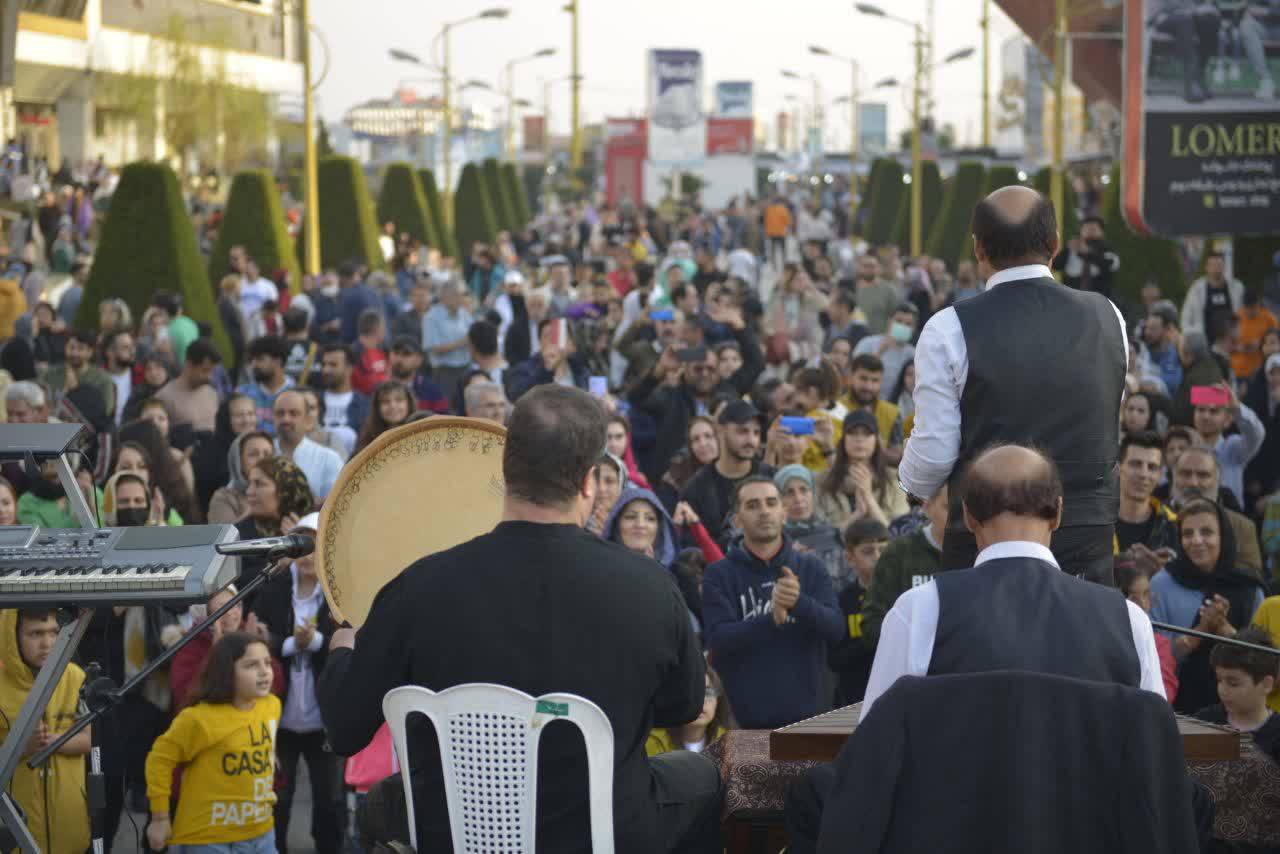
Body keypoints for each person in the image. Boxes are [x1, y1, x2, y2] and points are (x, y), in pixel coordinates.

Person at [318, 385, 722, 853]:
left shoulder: (416, 587)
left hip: (455, 833)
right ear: (590, 481)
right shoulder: (651, 586)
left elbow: (345, 729)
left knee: (385, 802)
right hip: (606, 832)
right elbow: (684, 706)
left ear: (503, 470)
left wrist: (343, 648)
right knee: (704, 775)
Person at [900, 186, 1128, 583]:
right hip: (1085, 537)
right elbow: (1108, 413)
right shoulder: (1108, 315)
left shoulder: (947, 327)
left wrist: (909, 484)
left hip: (987, 535)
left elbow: (934, 454)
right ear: (1055, 245)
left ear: (978, 250)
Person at [701, 476, 842, 729]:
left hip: (811, 721)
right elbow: (717, 640)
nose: (764, 511)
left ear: (784, 513)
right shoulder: (719, 574)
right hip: (746, 724)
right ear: (737, 520)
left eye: (771, 503)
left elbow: (836, 630)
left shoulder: (810, 566)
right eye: (753, 505)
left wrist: (799, 603)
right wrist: (770, 620)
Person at [252, 512, 342, 854]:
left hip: (323, 721)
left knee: (329, 800)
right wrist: (291, 644)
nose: (307, 556)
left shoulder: (337, 592)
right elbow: (257, 638)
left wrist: (317, 642)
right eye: (301, 545)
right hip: (282, 718)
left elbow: (348, 642)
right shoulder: (273, 589)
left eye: (315, 546)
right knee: (279, 796)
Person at [145, 633, 280, 853]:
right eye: (251, 665)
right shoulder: (198, 719)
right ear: (226, 672)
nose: (265, 671)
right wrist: (160, 817)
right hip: (208, 840)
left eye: (267, 663)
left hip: (263, 834)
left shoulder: (272, 705)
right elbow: (159, 759)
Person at [1151, 498, 1266, 713]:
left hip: (1241, 716)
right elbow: (1153, 659)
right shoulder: (1161, 584)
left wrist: (1225, 630)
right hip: (1176, 712)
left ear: (1224, 536)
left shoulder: (1249, 588)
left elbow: (1262, 663)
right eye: (1187, 534)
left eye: (1207, 532)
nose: (1196, 540)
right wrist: (1199, 633)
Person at [0, 609, 91, 853]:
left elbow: (91, 740)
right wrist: (20, 747)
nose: (48, 643)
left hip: (69, 826)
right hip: (15, 828)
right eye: (36, 633)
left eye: (54, 632)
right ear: (12, 635)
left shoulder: (74, 676)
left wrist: (55, 740)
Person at [858, 485, 948, 646]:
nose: (959, 516)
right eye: (949, 508)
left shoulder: (979, 549)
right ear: (927, 505)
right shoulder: (899, 552)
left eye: (964, 507)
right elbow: (872, 621)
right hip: (914, 664)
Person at [680, 400, 772, 547]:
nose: (751, 440)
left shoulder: (771, 478)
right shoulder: (696, 489)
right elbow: (692, 550)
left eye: (756, 432)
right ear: (721, 431)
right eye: (742, 431)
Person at [1169, 445, 1263, 575]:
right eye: (1185, 474)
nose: (1193, 483)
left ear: (1217, 481)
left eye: (1203, 475)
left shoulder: (1242, 527)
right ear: (1174, 477)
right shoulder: (1155, 517)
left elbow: (1253, 579)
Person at [1193, 627, 1280, 758]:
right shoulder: (1203, 721)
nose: (1222, 690)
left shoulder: (1276, 735)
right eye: (1219, 680)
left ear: (1266, 684)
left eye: (1233, 683)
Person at [828, 517, 889, 706]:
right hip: (855, 697)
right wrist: (873, 638)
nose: (878, 557)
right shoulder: (842, 600)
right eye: (868, 551)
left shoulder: (903, 594)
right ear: (849, 557)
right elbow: (834, 660)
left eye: (883, 550)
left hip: (894, 693)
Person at [817, 409, 909, 530]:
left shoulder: (895, 480)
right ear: (843, 439)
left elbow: (897, 535)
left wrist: (868, 498)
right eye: (853, 433)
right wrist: (857, 514)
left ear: (876, 440)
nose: (859, 439)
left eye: (867, 433)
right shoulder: (822, 481)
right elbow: (822, 536)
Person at [238, 455, 314, 592]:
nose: (249, 491)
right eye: (250, 484)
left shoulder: (314, 526)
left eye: (259, 484)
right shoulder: (240, 534)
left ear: (284, 489)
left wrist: (300, 545)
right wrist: (280, 563)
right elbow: (236, 584)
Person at [1115, 431, 1180, 574]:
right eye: (1135, 464)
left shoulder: (1174, 525)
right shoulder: (1096, 522)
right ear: (1119, 468)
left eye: (1152, 467)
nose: (1143, 474)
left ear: (1159, 474)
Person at [1192, 380, 1264, 507]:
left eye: (1214, 411)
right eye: (1200, 410)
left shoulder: (1233, 448)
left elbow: (1257, 434)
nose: (1206, 416)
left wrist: (1236, 408)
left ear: (1227, 420)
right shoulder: (1185, 448)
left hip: (1230, 521)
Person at [1115, 562, 1180, 702]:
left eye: (1146, 594)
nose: (1144, 604)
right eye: (1133, 598)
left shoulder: (1160, 644)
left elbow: (1165, 693)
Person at [774, 465, 845, 588]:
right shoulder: (773, 539)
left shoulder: (832, 534)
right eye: (789, 492)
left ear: (813, 493)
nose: (798, 499)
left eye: (804, 490)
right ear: (778, 499)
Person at [273, 389, 342, 501]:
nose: (286, 419)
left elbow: (335, 505)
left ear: (307, 420)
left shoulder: (328, 459)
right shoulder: (262, 453)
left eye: (293, 413)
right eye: (280, 413)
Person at [645, 669, 731, 757]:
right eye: (692, 692)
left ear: (718, 700)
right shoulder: (652, 742)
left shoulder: (729, 744)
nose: (700, 702)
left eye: (707, 693)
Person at [839, 354, 904, 463]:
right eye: (863, 379)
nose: (868, 386)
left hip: (880, 475)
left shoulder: (892, 413)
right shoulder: (836, 408)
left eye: (875, 381)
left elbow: (897, 457)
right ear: (851, 377)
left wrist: (875, 443)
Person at [153, 338, 222, 434]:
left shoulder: (212, 393)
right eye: (205, 370)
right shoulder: (165, 398)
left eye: (212, 371)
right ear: (189, 364)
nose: (210, 377)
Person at [41, 327, 115, 413]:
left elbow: (105, 411)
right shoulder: (49, 375)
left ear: (90, 352)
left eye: (80, 348)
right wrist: (65, 392)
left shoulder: (103, 379)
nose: (74, 353)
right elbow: (41, 409)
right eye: (71, 347)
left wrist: (76, 393)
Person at [853, 303, 918, 401]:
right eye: (898, 321)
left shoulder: (914, 354)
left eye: (908, 324)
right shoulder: (867, 343)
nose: (903, 326)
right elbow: (855, 372)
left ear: (913, 329)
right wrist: (881, 350)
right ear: (889, 321)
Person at [423, 279, 474, 402]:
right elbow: (434, 349)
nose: (462, 299)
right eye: (459, 295)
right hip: (445, 373)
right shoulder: (431, 317)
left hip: (465, 368)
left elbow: (473, 333)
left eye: (463, 295)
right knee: (447, 411)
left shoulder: (464, 313)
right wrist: (462, 342)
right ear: (445, 296)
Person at [208, 431, 274, 524]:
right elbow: (223, 537)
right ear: (238, 461)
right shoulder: (224, 498)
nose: (261, 459)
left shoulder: (281, 492)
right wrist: (253, 510)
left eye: (267, 454)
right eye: (253, 454)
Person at [318, 344, 370, 457]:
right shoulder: (313, 401)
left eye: (333, 365)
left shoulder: (365, 405)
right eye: (324, 365)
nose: (326, 370)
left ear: (349, 369)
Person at [1051, 215, 1120, 297]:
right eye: (1086, 229)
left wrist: (1087, 254)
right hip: (1072, 295)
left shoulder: (1107, 250)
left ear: (1101, 232)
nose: (1090, 232)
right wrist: (1066, 250)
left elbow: (1110, 265)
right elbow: (1055, 266)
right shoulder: (1073, 248)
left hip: (1099, 297)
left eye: (1093, 229)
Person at [237, 335, 293, 434]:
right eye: (251, 360)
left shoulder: (296, 394)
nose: (254, 365)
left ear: (278, 361)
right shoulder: (242, 393)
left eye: (260, 359)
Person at [1182, 252, 1244, 337]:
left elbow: (1243, 314)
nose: (1216, 268)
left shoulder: (1237, 287)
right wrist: (1191, 336)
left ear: (1224, 266)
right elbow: (1186, 316)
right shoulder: (1197, 289)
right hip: (1205, 340)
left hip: (1231, 341)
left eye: (1219, 264)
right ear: (1206, 267)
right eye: (1213, 265)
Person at [1143, 301, 1184, 395]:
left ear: (1168, 329)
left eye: (1153, 328)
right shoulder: (1141, 351)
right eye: (1147, 328)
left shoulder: (1178, 355)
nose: (1147, 333)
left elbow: (1171, 387)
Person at [351, 309, 390, 396]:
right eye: (383, 327)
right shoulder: (356, 353)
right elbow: (366, 384)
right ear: (377, 329)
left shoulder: (384, 349)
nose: (385, 331)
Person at [103, 329, 136, 427]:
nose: (132, 351)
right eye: (125, 347)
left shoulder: (141, 376)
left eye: (133, 346)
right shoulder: (98, 379)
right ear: (110, 352)